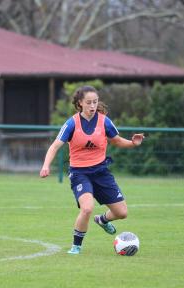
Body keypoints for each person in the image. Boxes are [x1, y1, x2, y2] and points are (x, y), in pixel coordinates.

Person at [39, 85, 144, 254]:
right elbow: (55, 146)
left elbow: (116, 141)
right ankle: (76, 246)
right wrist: (45, 166)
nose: (93, 106)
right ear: (80, 103)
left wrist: (133, 143)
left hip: (101, 172)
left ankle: (102, 220)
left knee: (122, 213)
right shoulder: (71, 123)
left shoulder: (104, 121)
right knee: (87, 208)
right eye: (89, 102)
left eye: (95, 102)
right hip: (80, 173)